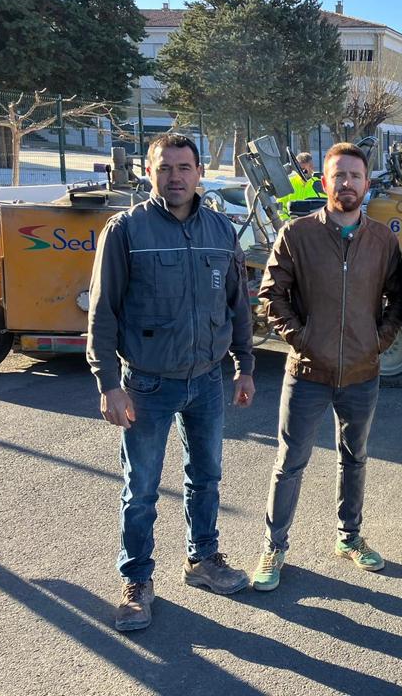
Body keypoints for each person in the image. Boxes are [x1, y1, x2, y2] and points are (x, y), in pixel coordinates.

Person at [87, 132, 256, 633]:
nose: (175, 177)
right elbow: (102, 313)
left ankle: (202, 559)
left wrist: (245, 365)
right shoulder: (126, 231)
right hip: (146, 385)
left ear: (199, 172)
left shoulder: (221, 229)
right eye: (165, 168)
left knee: (205, 477)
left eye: (184, 167)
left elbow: (238, 304)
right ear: (149, 170)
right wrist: (108, 383)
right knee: (140, 489)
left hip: (206, 381)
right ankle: (136, 580)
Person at [252, 142, 402, 591]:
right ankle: (274, 546)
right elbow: (271, 296)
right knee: (290, 462)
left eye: (356, 176)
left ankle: (349, 537)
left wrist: (378, 342)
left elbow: (399, 300)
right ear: (325, 182)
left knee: (354, 459)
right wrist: (303, 339)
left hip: (361, 374)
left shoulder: (382, 240)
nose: (347, 184)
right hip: (307, 374)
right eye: (339, 175)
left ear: (367, 184)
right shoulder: (297, 235)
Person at [279, 152, 325, 219]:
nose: (308, 171)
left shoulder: (318, 184)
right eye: (303, 169)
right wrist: (287, 221)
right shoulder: (288, 184)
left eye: (310, 167)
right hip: (293, 224)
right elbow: (280, 207)